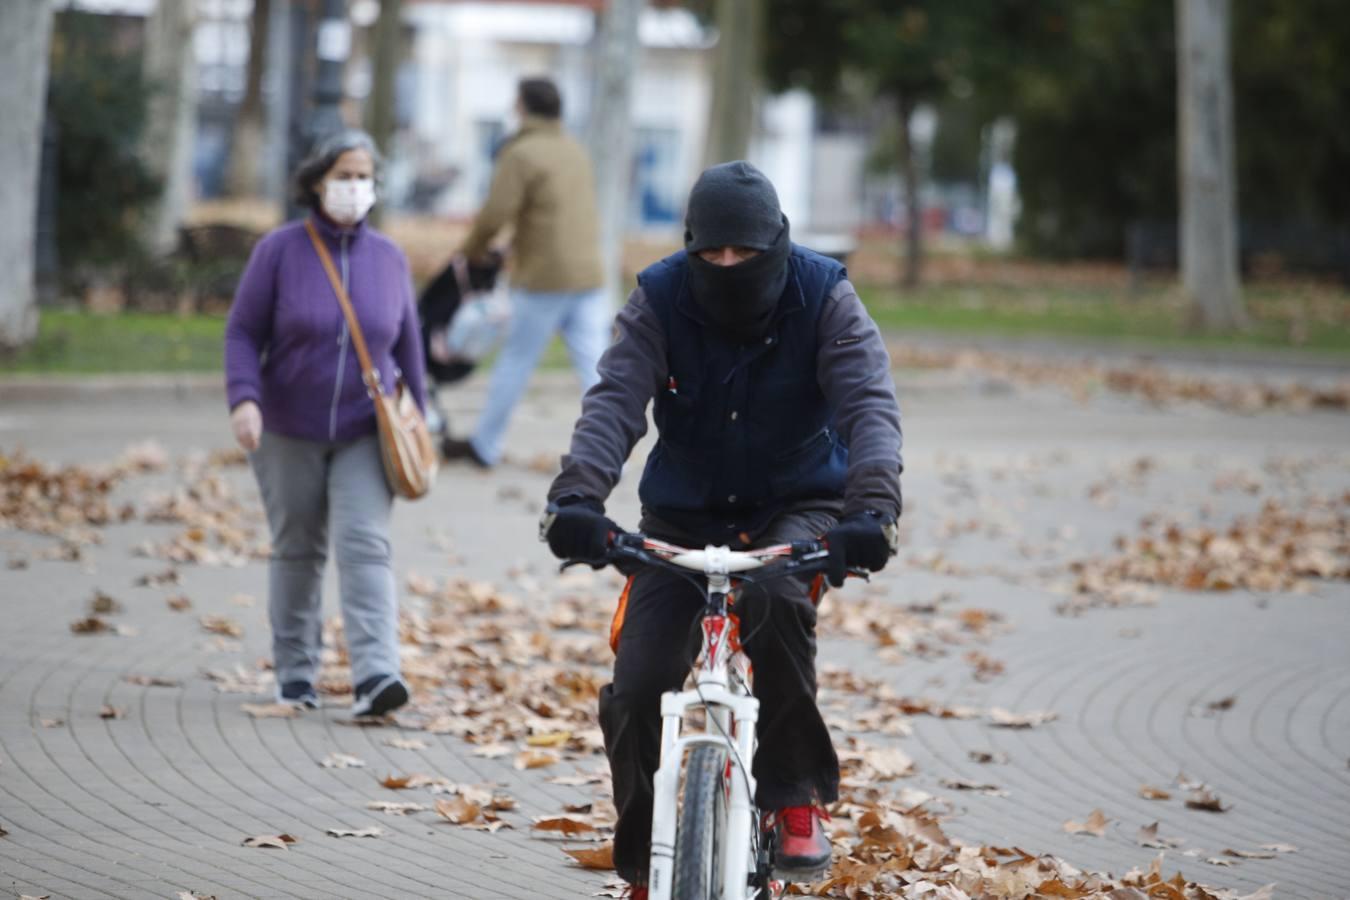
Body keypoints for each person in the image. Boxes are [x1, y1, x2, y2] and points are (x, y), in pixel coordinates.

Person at [539, 161, 904, 895]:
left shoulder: (825, 294)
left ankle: (795, 794)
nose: (728, 267)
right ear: (691, 247)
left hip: (796, 503)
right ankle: (643, 862)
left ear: (777, 243)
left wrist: (871, 511)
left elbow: (869, 404)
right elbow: (614, 400)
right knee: (639, 687)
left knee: (775, 601)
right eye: (712, 254)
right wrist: (577, 499)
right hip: (684, 513)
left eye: (746, 254)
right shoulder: (660, 298)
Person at [223, 129, 424, 718]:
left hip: (367, 430)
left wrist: (421, 418)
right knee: (298, 550)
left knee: (365, 545)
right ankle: (295, 676)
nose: (355, 187)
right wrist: (244, 399)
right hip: (286, 427)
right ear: (317, 181)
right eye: (344, 175)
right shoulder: (280, 250)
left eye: (364, 177)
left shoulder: (389, 258)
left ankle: (376, 674)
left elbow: (407, 346)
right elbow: (241, 331)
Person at [440, 76, 609, 469]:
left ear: (521, 107)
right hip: (588, 271)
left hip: (545, 276)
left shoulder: (521, 153)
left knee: (515, 362)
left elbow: (495, 213)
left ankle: (485, 445)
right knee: (597, 370)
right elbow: (555, 213)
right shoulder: (575, 150)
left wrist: (471, 252)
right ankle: (607, 451)